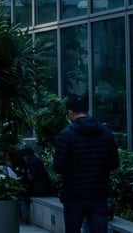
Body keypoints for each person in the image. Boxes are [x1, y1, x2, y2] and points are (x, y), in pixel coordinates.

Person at [52, 95, 120, 233]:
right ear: (87, 111)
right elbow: (114, 163)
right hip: (99, 194)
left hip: (73, 195)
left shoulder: (66, 135)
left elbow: (58, 167)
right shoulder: (106, 133)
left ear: (70, 113)